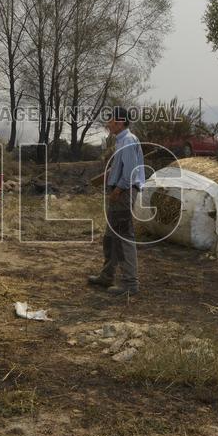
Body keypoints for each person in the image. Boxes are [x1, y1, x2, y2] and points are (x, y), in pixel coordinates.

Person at [88, 106, 145, 296]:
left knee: (123, 237)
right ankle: (107, 276)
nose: (108, 123)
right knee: (111, 237)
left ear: (119, 122)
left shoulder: (128, 141)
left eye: (110, 120)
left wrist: (118, 189)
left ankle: (130, 283)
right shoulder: (122, 140)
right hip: (119, 192)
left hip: (123, 193)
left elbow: (129, 173)